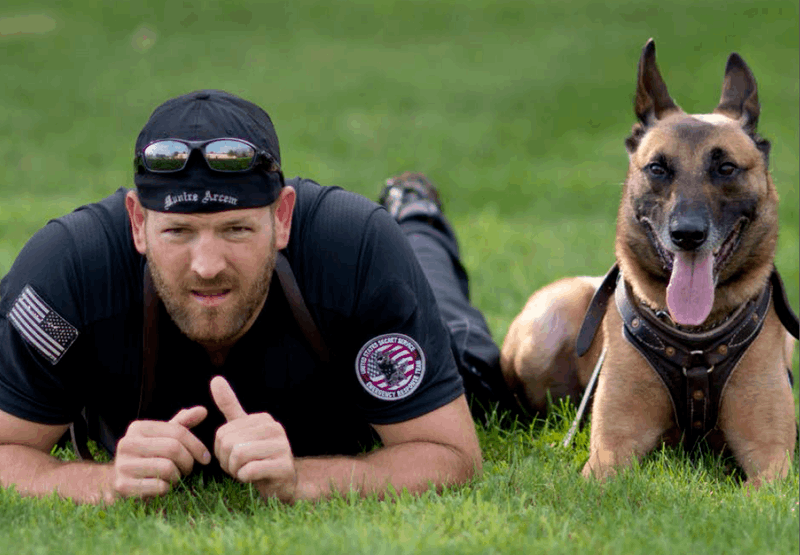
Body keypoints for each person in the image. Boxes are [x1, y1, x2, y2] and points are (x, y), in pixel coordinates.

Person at [0, 90, 516, 505]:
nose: (207, 265)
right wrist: (104, 483)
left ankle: (417, 211)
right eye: (178, 232)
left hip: (364, 302)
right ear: (138, 223)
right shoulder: (66, 269)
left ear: (282, 217)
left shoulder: (355, 247)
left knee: (473, 361)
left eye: (236, 230)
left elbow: (450, 453)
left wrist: (302, 480)